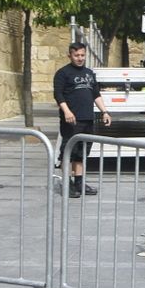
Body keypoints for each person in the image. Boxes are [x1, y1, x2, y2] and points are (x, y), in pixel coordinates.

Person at [54, 42, 112, 198]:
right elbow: (58, 95)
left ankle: (79, 182)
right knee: (68, 152)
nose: (80, 58)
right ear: (70, 55)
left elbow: (96, 94)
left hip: (88, 120)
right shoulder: (63, 73)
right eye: (76, 55)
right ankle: (67, 184)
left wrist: (105, 112)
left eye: (82, 55)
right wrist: (66, 111)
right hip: (71, 120)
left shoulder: (89, 73)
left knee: (81, 153)